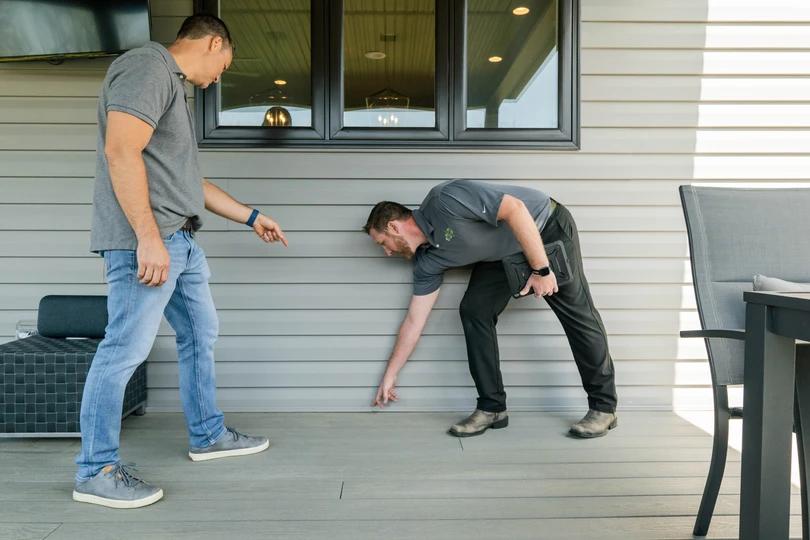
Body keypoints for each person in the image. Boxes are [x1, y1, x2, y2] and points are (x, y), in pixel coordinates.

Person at [73, 15, 288, 509]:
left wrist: (252, 216)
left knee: (200, 333)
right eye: (224, 65)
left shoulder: (171, 85)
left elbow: (189, 185)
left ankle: (207, 435)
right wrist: (147, 237)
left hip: (182, 241)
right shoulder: (147, 68)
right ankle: (95, 470)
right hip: (149, 243)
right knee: (123, 349)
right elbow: (120, 151)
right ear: (213, 43)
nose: (219, 78)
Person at [364, 180, 618, 439]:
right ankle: (491, 407)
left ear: (393, 226)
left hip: (544, 226)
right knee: (474, 310)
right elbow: (413, 322)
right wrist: (390, 375)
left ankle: (603, 407)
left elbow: (515, 209)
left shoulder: (444, 200)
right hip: (503, 253)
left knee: (578, 316)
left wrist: (541, 269)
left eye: (382, 243)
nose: (386, 252)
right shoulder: (428, 262)